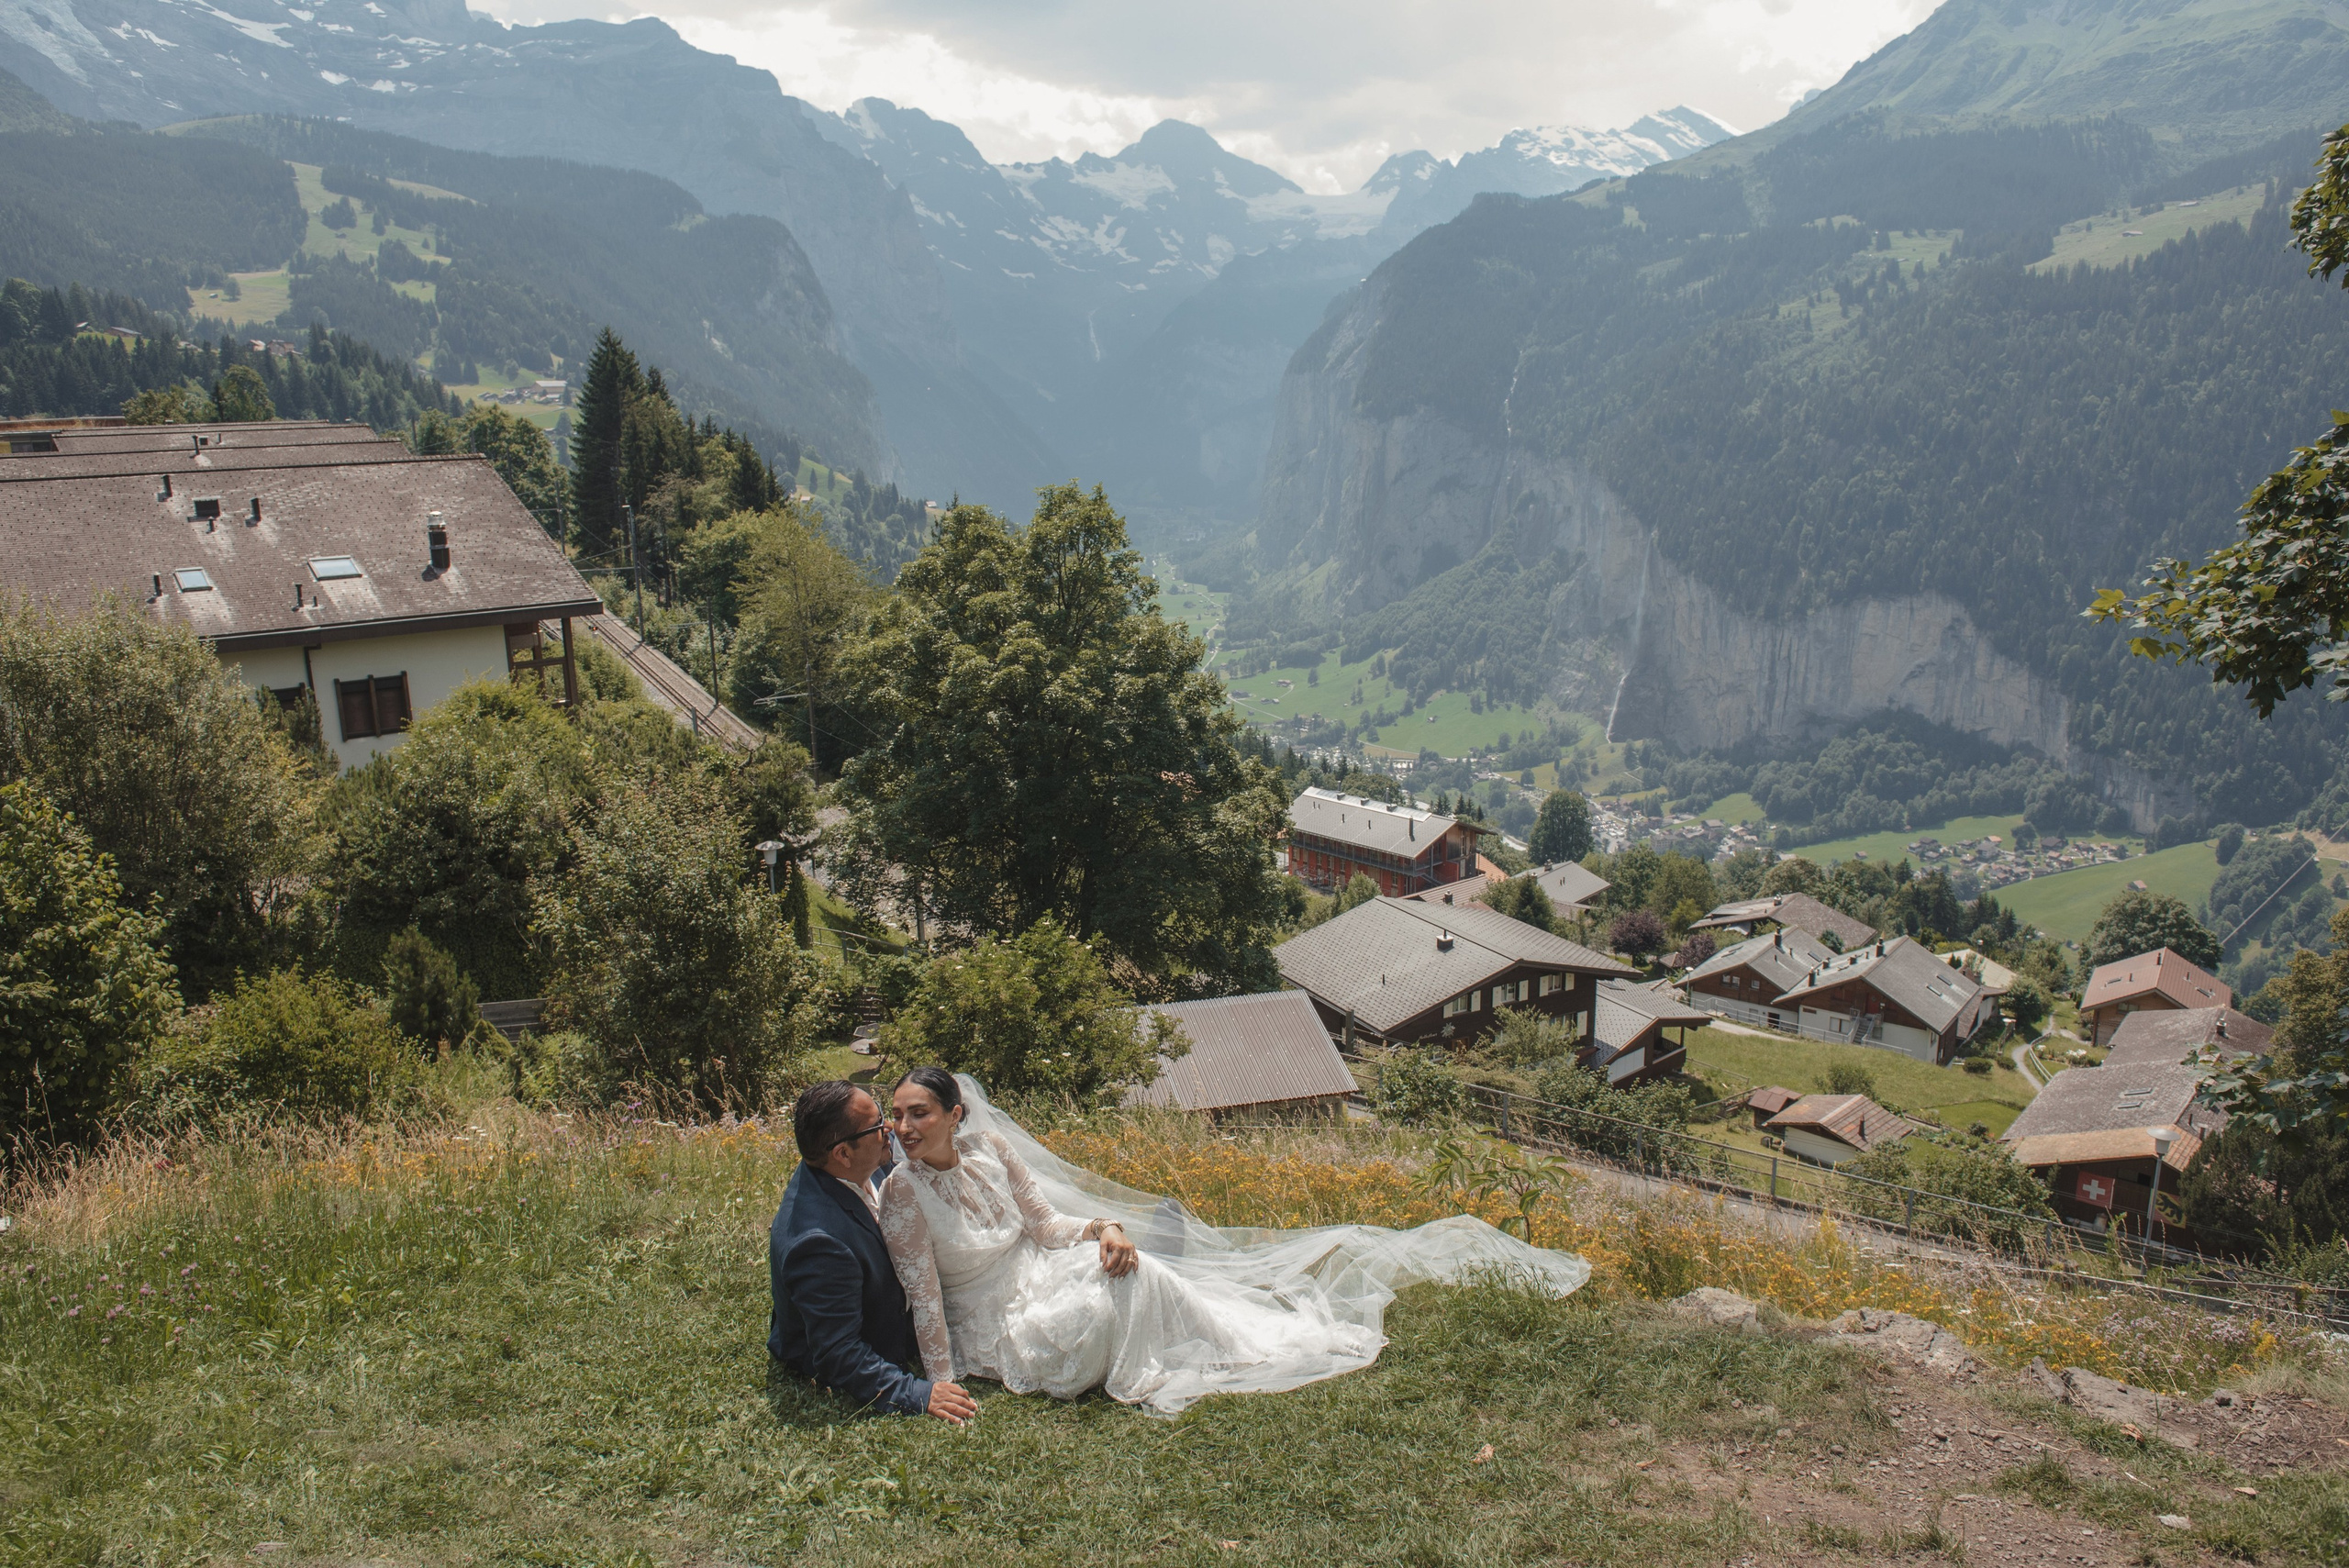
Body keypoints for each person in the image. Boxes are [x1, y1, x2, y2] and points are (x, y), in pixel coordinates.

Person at [876, 1066, 1386, 1412]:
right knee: (1097, 1316)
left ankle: (1243, 1350)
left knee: (1136, 1268)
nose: (904, 1127)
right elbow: (925, 1296)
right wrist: (940, 1383)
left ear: (955, 1115)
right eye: (898, 1115)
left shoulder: (990, 1148)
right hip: (989, 1313)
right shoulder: (902, 1191)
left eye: (919, 1113)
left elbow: (1045, 1224)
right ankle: (1222, 1352)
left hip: (1041, 1269)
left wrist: (1104, 1227)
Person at [767, 1080, 978, 1424]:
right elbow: (838, 1353)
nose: (890, 1129)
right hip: (877, 1332)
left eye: (882, 1115)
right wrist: (918, 1393)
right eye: (877, 1125)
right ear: (843, 1153)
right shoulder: (818, 1243)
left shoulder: (851, 1162)